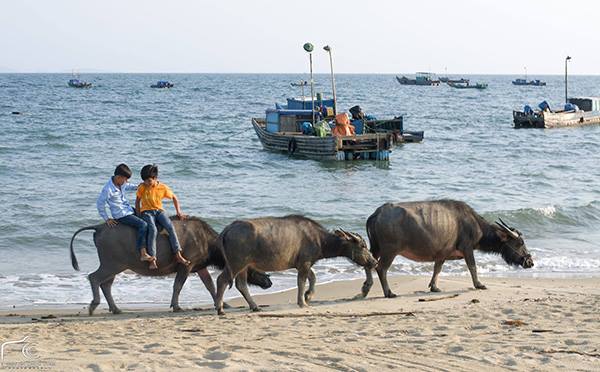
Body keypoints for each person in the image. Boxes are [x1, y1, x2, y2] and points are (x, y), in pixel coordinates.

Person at [136, 164, 190, 269]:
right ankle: (152, 259)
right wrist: (138, 215)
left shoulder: (162, 187)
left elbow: (174, 197)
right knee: (153, 229)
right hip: (147, 212)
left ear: (155, 178)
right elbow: (137, 201)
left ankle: (178, 254)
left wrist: (179, 212)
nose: (146, 183)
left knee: (170, 227)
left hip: (159, 211)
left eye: (149, 181)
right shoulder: (142, 187)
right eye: (144, 181)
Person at [96, 164, 148, 257]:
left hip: (128, 209)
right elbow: (100, 204)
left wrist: (139, 186)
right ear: (118, 177)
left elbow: (128, 186)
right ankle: (142, 251)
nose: (126, 181)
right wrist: (107, 219)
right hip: (121, 215)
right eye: (125, 179)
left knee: (146, 214)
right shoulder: (108, 189)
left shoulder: (121, 183)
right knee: (143, 224)